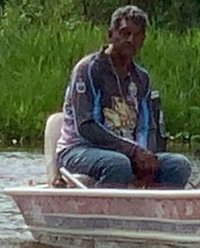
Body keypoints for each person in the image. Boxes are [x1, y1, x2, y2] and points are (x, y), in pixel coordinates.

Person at [56, 5, 192, 189]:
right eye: (124, 33)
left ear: (143, 40)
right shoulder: (88, 69)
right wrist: (134, 152)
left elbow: (147, 127)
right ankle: (104, 213)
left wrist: (147, 157)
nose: (130, 39)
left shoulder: (141, 78)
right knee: (118, 165)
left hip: (128, 152)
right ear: (111, 34)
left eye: (137, 35)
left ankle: (154, 211)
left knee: (178, 165)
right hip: (80, 149)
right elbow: (86, 126)